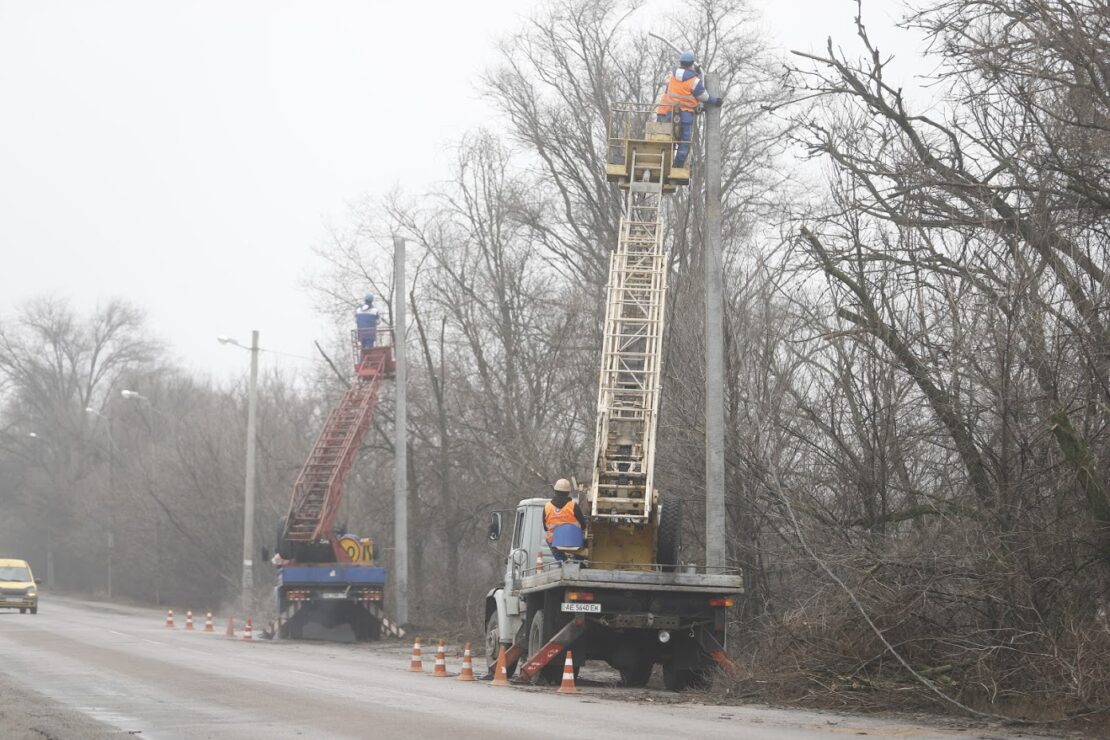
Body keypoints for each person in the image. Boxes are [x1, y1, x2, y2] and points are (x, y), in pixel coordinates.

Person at [656, 50, 723, 168]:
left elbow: (666, 83)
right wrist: (716, 101)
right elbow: (704, 96)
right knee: (684, 141)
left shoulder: (672, 76)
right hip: (686, 115)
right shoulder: (694, 81)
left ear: (680, 63)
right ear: (692, 64)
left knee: (667, 139)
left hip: (670, 113)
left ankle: (663, 164)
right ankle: (677, 166)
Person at [544, 478, 586, 562]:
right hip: (573, 541)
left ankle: (561, 561)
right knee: (585, 540)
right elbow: (583, 525)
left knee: (548, 537)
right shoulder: (573, 506)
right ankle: (578, 562)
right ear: (568, 492)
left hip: (555, 541)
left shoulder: (547, 507)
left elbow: (545, 528)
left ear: (555, 491)